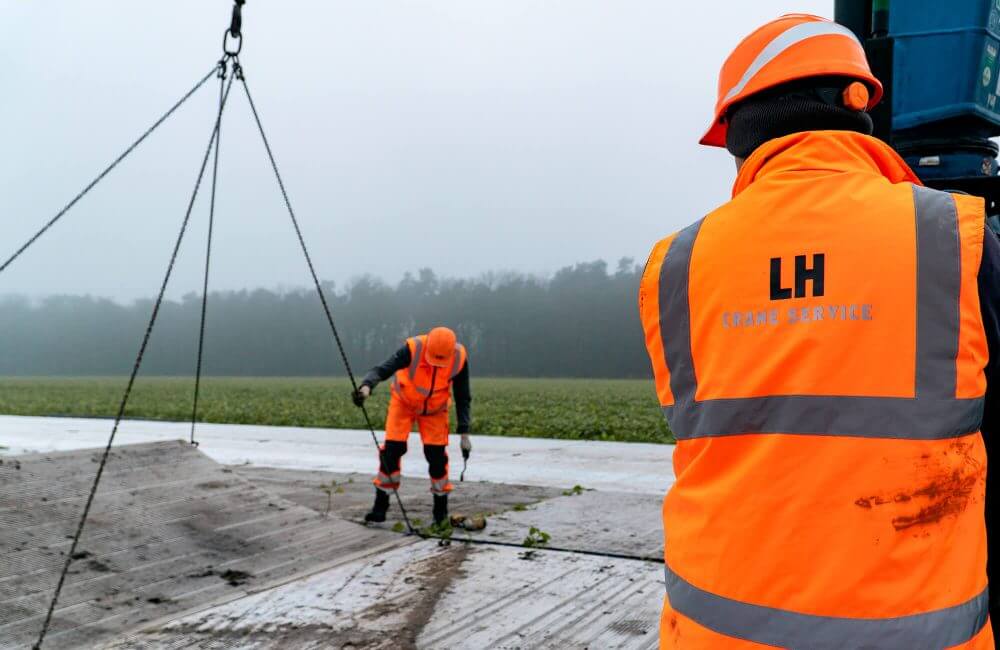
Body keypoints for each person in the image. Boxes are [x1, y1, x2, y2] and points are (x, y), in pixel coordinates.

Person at [638, 13, 999, 649]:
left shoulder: (675, 265)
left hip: (710, 630)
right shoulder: (953, 239)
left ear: (738, 136)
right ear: (859, 106)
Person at [352, 326, 472, 526]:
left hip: (435, 410)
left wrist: (464, 433)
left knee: (437, 458)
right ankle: (380, 509)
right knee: (392, 451)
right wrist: (365, 388)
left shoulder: (459, 357)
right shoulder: (413, 348)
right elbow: (382, 369)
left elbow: (463, 395)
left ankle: (440, 514)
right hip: (404, 403)